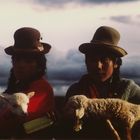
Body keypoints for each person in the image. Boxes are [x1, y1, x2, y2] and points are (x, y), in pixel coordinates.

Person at [64, 26, 140, 139]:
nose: (98, 66)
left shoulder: (129, 90)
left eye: (104, 60)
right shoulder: (75, 92)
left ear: (116, 63)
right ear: (86, 61)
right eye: (92, 60)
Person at [0, 27, 55, 138]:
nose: (21, 65)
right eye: (17, 60)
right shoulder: (16, 88)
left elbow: (20, 116)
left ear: (39, 66)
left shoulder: (42, 89)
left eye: (28, 61)